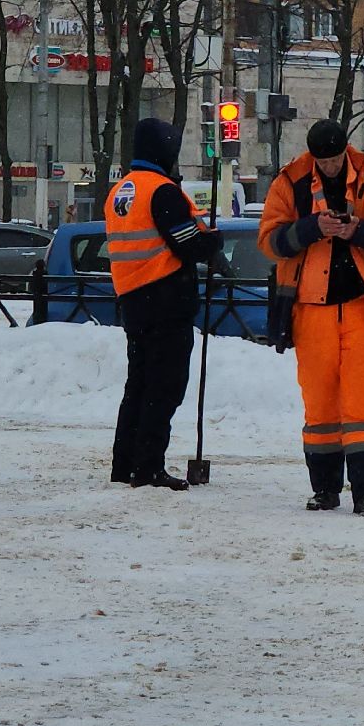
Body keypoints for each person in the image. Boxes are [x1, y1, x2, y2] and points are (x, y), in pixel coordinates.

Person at [259, 119, 364, 517]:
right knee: (320, 403)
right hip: (310, 307)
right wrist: (312, 228)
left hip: (363, 305)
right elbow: (269, 241)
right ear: (313, 156)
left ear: (346, 151)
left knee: (362, 404)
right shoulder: (289, 181)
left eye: (334, 160)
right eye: (321, 161)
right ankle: (325, 489)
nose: (328, 167)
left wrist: (359, 231)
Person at [107, 117, 227, 492]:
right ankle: (149, 467)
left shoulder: (121, 190)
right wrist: (214, 242)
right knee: (165, 387)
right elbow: (187, 243)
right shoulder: (162, 191)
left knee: (138, 385)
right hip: (166, 300)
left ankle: (124, 465)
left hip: (133, 299)